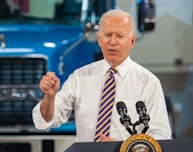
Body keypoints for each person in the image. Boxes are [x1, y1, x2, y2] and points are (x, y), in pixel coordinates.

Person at [32, 9, 172, 142]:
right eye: (107, 35)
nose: (112, 41)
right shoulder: (80, 78)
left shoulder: (148, 82)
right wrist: (49, 98)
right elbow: (45, 121)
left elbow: (161, 135)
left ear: (132, 41)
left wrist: (122, 147)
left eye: (120, 36)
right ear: (99, 40)